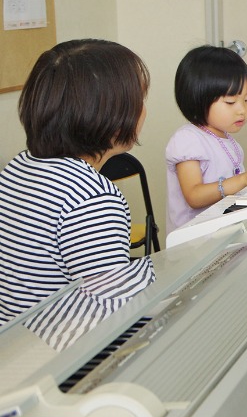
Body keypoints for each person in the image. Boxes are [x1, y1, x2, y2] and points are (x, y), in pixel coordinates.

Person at [0, 39, 155, 326]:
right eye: (140, 100)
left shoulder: (19, 165)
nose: (144, 110)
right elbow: (115, 313)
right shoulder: (91, 196)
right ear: (112, 116)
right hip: (54, 353)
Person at [165, 45, 247, 232]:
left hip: (221, 233)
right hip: (192, 242)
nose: (242, 109)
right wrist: (244, 179)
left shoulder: (228, 141)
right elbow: (194, 196)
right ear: (198, 98)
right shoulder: (187, 139)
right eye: (230, 102)